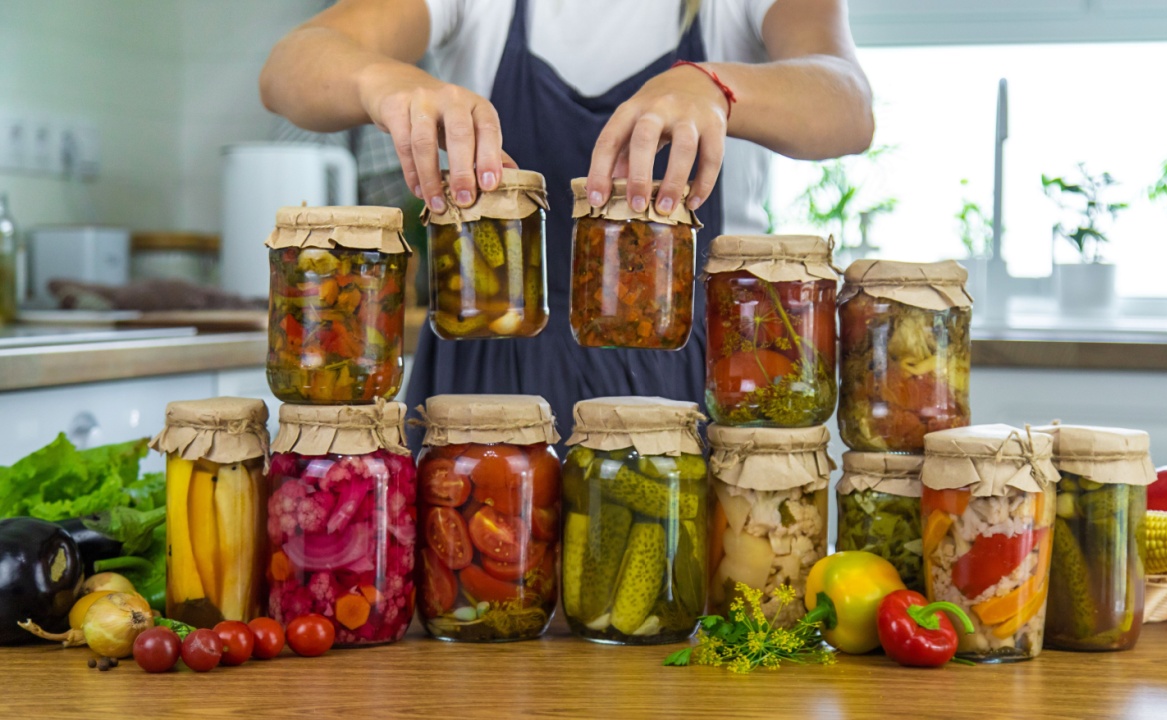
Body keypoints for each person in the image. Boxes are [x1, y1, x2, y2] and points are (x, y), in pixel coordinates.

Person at [260, 0, 874, 449]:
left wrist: (715, 86)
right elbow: (288, 68)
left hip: (684, 374)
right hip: (484, 375)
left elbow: (848, 102)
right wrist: (388, 81)